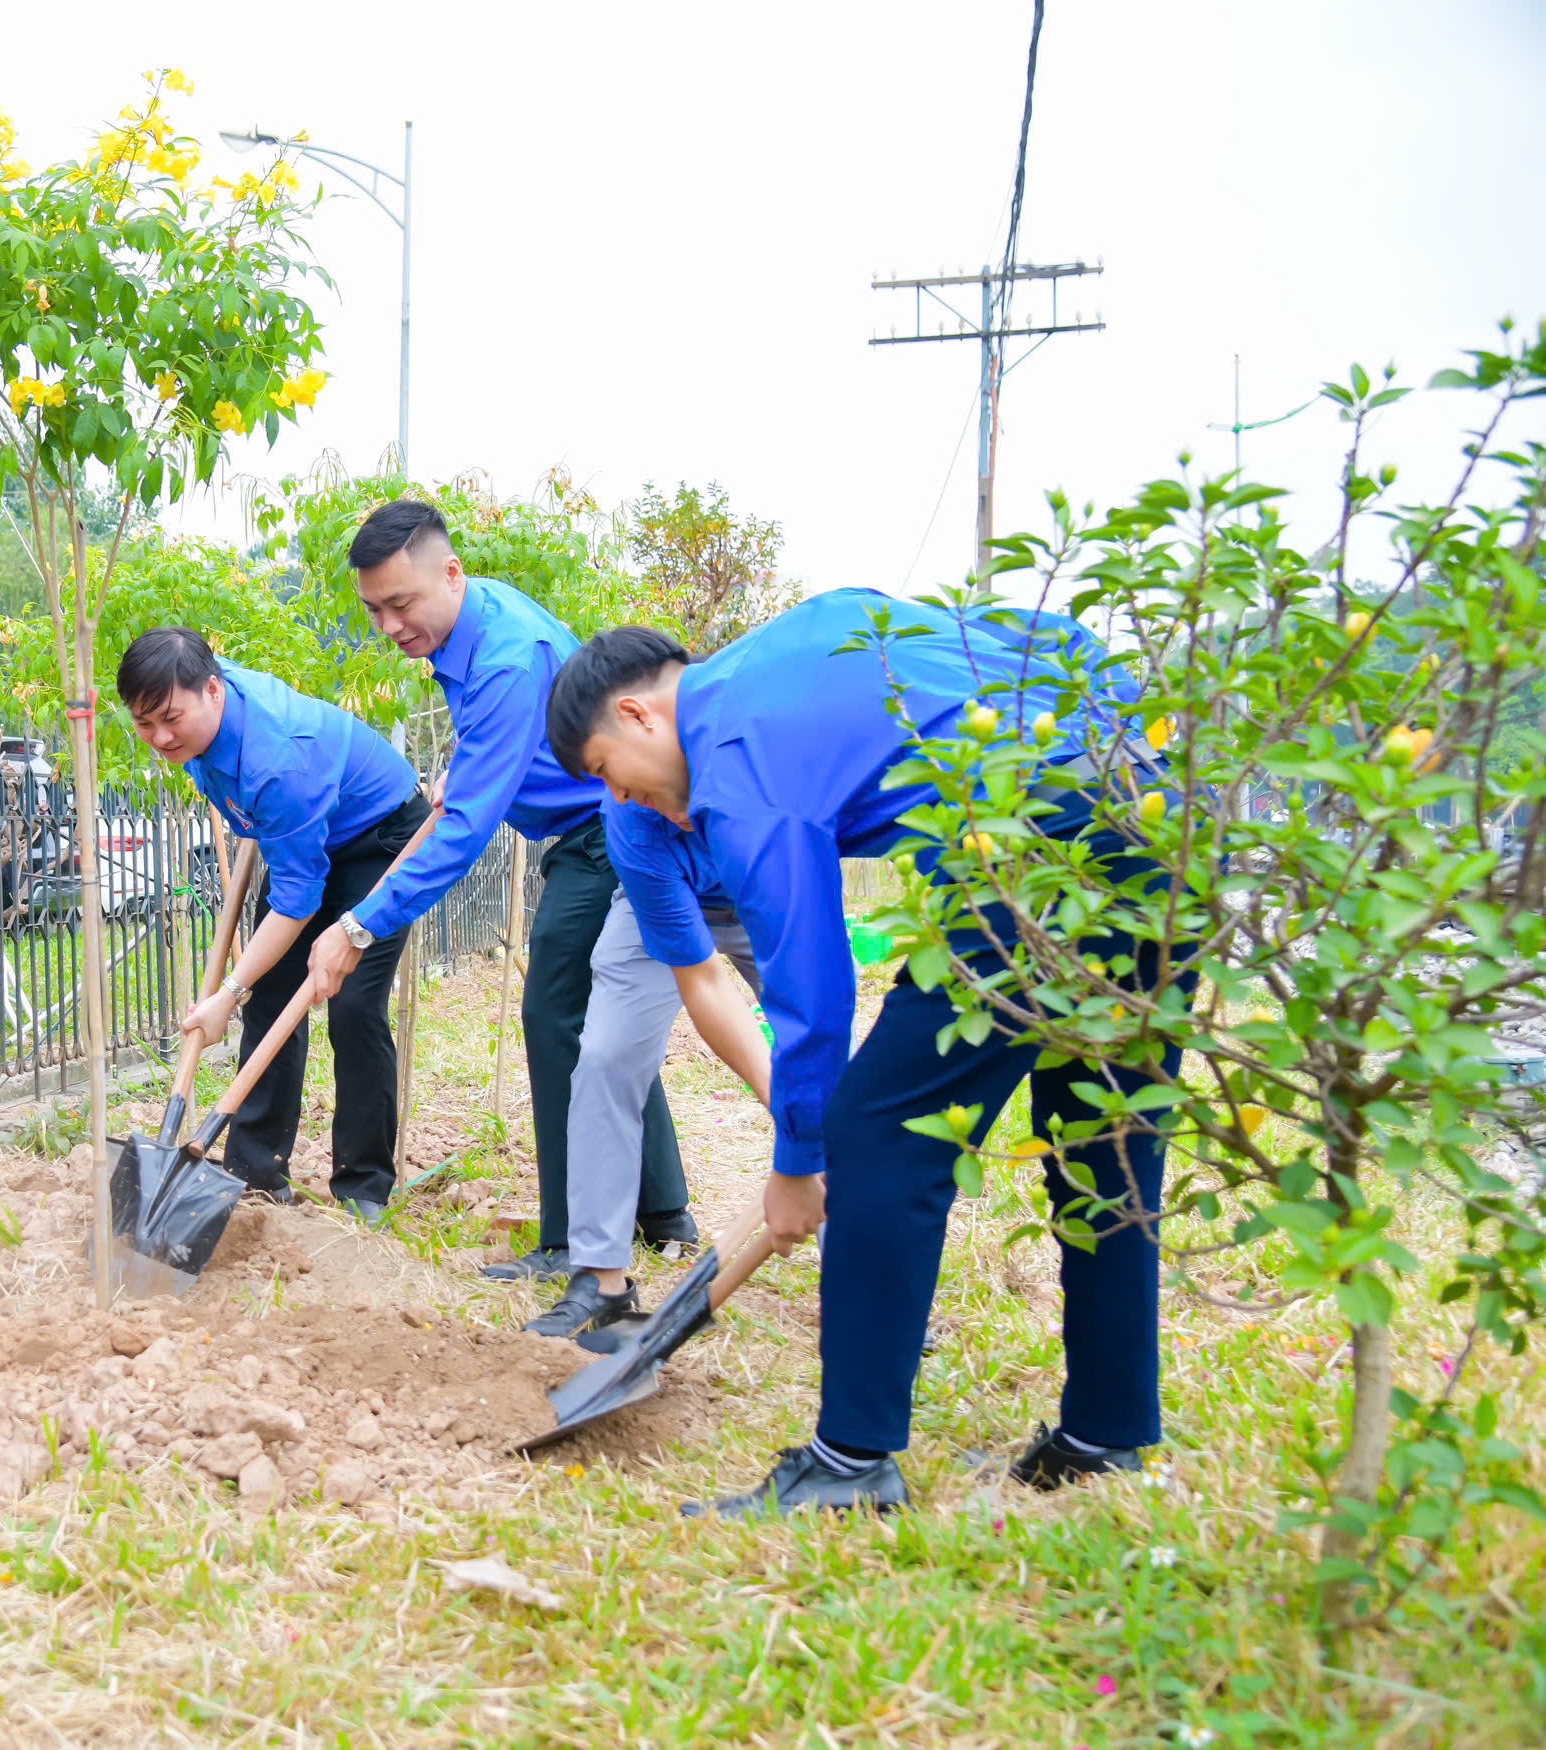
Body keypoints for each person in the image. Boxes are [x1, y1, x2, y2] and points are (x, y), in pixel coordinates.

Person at [546, 593, 1172, 1515]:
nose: (622, 798)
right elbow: (1046, 636)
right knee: (1105, 1140)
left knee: (881, 1139)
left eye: (612, 770)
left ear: (641, 713)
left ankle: (849, 1462)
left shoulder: (733, 756)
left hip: (1036, 845)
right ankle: (1106, 1432)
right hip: (1152, 818)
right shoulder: (802, 641)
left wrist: (800, 1161)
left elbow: (811, 989)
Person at [309, 501, 766, 1328]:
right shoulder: (473, 628)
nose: (388, 625)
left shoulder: (507, 658)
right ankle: (662, 1212)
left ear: (452, 575)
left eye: (401, 603)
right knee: (596, 1023)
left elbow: (464, 832)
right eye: (374, 608)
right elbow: (497, 751)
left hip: (615, 823)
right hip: (590, 826)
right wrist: (476, 767)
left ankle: (573, 1242)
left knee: (554, 1008)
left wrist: (360, 924)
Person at [120, 627, 430, 1217]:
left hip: (380, 836)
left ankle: (363, 1185)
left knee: (355, 1004)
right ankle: (255, 1172)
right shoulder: (197, 701)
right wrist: (245, 990)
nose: (159, 737)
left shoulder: (277, 763)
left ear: (213, 690)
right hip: (305, 839)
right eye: (144, 724)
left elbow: (297, 901)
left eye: (169, 719)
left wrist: (226, 995)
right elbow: (297, 879)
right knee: (269, 994)